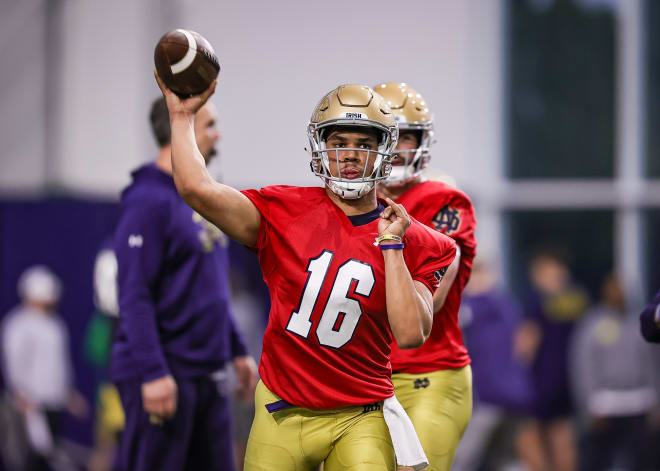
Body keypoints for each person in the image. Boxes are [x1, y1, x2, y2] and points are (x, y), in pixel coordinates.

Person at [155, 72, 458, 471]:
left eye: (363, 144)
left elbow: (409, 333)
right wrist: (181, 116)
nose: (350, 155)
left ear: (385, 152)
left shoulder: (420, 240)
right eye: (339, 143)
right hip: (283, 408)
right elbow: (197, 188)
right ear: (321, 146)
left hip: (360, 413)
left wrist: (392, 246)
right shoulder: (283, 210)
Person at [111, 97, 258, 471]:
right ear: (182, 131)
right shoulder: (147, 200)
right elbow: (133, 294)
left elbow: (211, 288)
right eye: (209, 125)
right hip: (167, 375)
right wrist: (154, 373)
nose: (218, 134)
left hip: (207, 373)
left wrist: (237, 349)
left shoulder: (201, 199)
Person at [373, 82, 477, 470]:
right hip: (363, 379)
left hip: (427, 374)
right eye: (390, 137)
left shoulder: (442, 200)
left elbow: (423, 306)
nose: (399, 148)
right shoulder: (349, 204)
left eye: (408, 138)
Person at [1, 265, 88, 471]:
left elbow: (60, 364)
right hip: (29, 406)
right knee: (29, 459)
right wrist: (20, 394)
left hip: (54, 404)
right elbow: (13, 361)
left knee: (51, 455)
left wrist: (68, 394)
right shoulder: (17, 324)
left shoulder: (56, 325)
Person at [570, 274, 659, 471]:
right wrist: (589, 406)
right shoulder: (592, 324)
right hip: (604, 405)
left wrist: (656, 402)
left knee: (644, 462)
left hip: (639, 403)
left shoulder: (637, 322)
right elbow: (583, 366)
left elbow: (652, 363)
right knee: (596, 462)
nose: (618, 293)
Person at [452, 258, 532, 471]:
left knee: (464, 460)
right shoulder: (507, 305)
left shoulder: (467, 306)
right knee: (505, 460)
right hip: (514, 394)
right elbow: (524, 347)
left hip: (485, 396)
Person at [514, 247, 589, 471]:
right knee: (561, 433)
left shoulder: (537, 302)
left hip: (540, 378)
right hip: (569, 377)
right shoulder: (577, 299)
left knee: (527, 433)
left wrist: (514, 372)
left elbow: (526, 344)